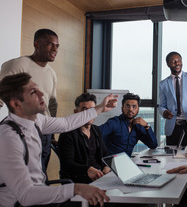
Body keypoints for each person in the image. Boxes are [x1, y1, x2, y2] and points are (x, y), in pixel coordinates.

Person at [0, 72, 118, 207]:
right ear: (16, 104)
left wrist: (100, 108)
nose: (42, 94)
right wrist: (76, 189)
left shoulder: (37, 120)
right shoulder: (8, 138)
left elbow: (67, 123)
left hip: (40, 196)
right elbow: (26, 195)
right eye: (33, 92)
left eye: (39, 89)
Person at [0, 28, 59, 176]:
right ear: (37, 44)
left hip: (44, 132)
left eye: (57, 46)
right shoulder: (18, 65)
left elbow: (52, 104)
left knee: (41, 177)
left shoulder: (52, 73)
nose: (55, 49)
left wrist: (51, 134)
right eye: (50, 44)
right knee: (27, 178)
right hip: (24, 130)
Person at [58, 93, 111, 184]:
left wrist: (107, 166)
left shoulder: (96, 130)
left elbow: (105, 153)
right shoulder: (67, 134)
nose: (89, 114)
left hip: (99, 177)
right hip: (80, 180)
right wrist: (88, 170)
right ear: (76, 112)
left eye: (92, 110)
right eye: (84, 110)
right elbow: (67, 165)